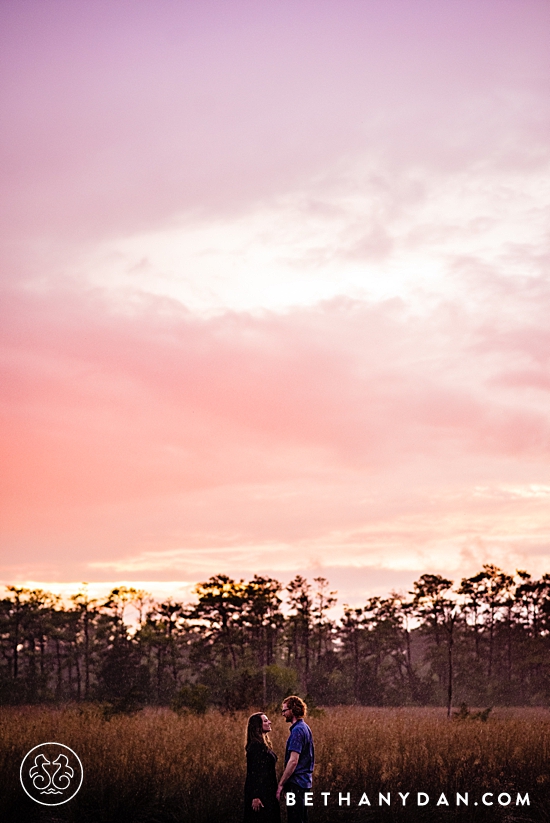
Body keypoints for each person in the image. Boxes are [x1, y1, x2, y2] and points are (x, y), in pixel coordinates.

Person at [276, 696, 314, 823]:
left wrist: (281, 784)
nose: (283, 714)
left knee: (295, 818)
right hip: (305, 783)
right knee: (302, 817)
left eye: (284, 710)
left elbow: (293, 761)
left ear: (292, 710)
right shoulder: (305, 728)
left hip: (296, 784)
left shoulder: (297, 731)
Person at [243, 712, 281, 822]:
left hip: (268, 792)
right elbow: (253, 773)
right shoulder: (255, 747)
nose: (269, 722)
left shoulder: (263, 745)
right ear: (257, 726)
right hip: (261, 794)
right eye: (265, 721)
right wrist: (255, 796)